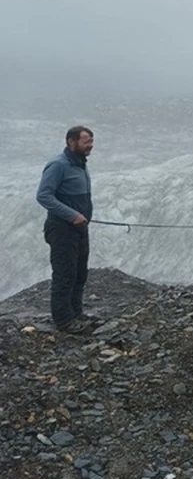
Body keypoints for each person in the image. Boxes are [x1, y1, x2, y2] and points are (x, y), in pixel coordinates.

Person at [36, 126, 95, 333]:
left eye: (91, 141)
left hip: (80, 229)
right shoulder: (58, 165)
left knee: (80, 273)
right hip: (62, 229)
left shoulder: (80, 163)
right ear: (71, 142)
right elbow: (43, 196)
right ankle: (64, 321)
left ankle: (76, 314)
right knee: (65, 274)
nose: (91, 145)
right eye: (86, 141)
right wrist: (73, 215)